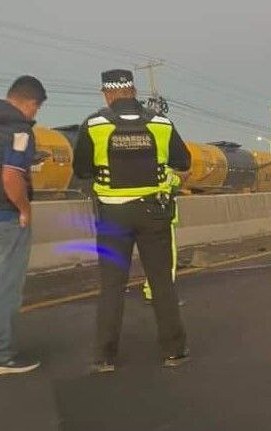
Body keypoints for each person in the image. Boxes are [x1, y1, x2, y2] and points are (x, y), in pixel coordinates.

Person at [72, 69, 191, 373]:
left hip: (112, 215)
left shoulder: (94, 124)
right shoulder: (162, 123)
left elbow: (82, 170)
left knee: (112, 285)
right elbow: (183, 163)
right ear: (134, 90)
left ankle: (105, 357)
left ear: (107, 93)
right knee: (162, 282)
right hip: (154, 213)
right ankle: (174, 352)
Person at [0, 76, 46, 376]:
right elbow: (10, 176)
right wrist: (24, 209)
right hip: (0, 218)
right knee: (3, 288)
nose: (34, 116)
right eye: (36, 109)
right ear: (31, 103)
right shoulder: (20, 130)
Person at [141, 169, 184, 305]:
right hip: (162, 218)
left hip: (147, 217)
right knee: (167, 260)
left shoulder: (144, 168)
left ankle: (151, 292)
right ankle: (164, 296)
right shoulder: (165, 170)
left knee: (153, 258)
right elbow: (176, 182)